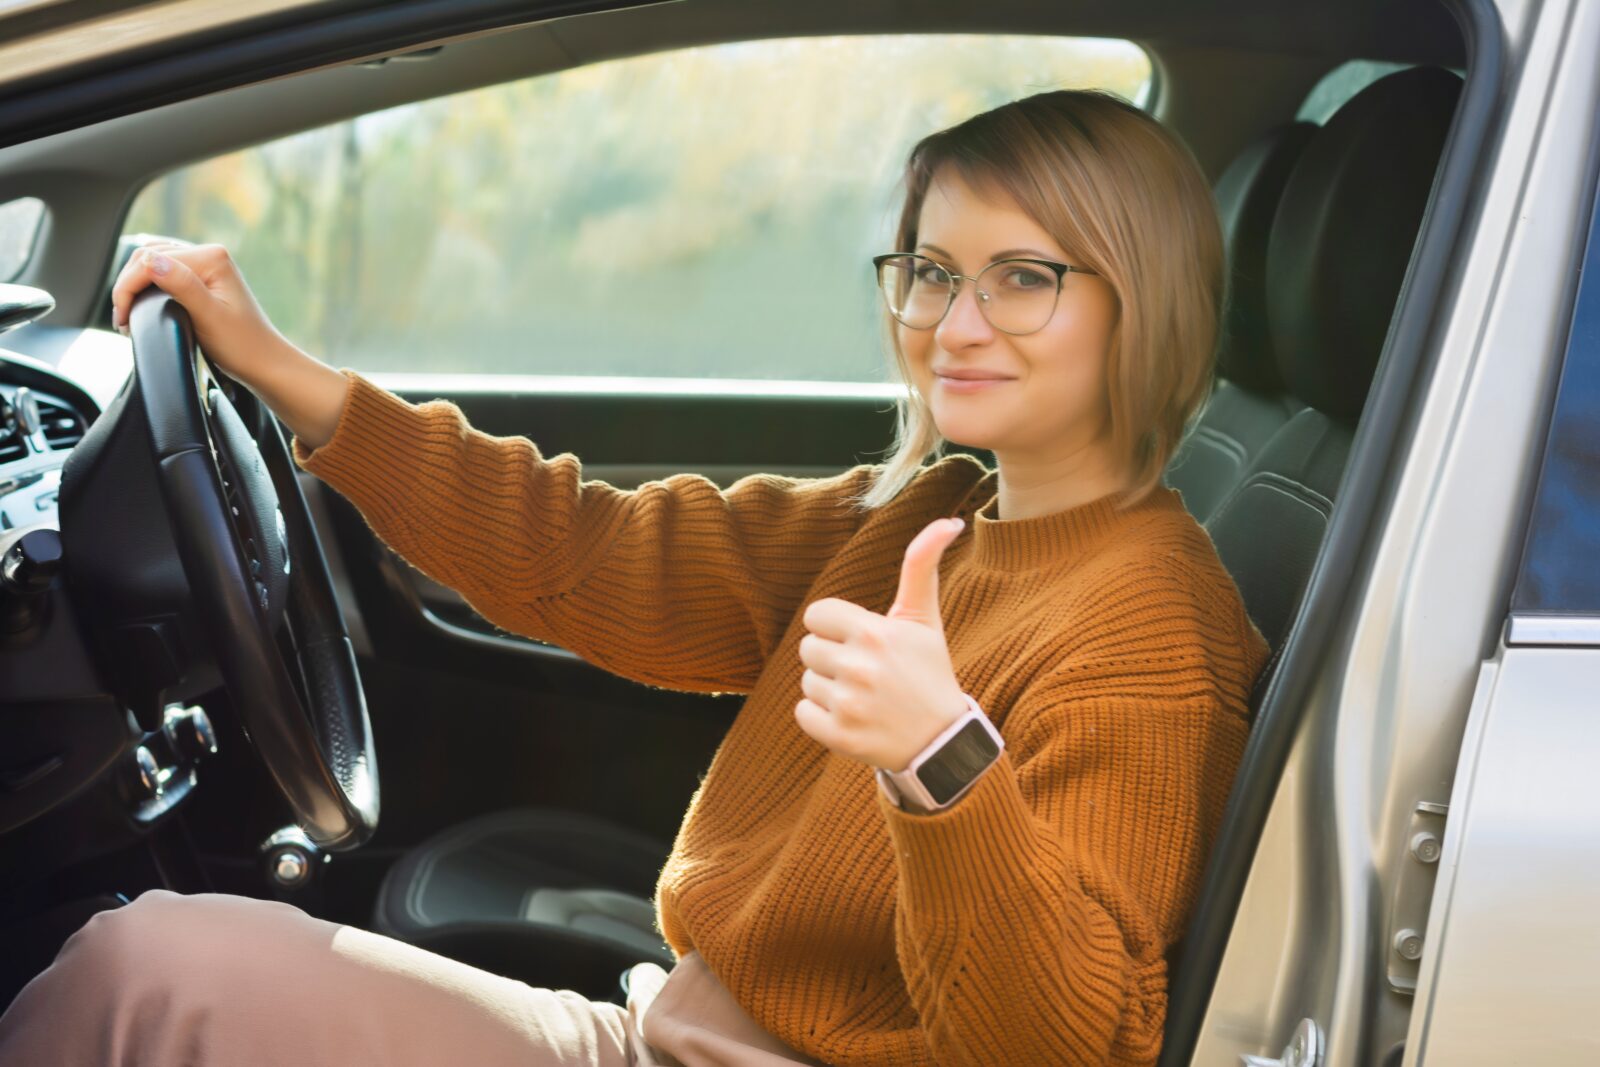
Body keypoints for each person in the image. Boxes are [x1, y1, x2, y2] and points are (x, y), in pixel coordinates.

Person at [0, 88, 1269, 1066]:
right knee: (148, 965)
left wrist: (938, 755)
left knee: (140, 976)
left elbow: (1060, 1042)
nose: (955, 322)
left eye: (1023, 279)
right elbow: (592, 552)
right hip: (660, 1026)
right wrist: (291, 377)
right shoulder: (933, 508)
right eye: (933, 272)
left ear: (1137, 297)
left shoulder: (1150, 630)